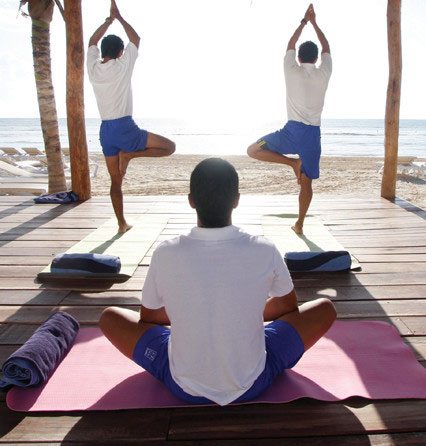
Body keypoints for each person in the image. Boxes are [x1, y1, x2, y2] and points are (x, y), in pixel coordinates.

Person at [99, 157, 336, 406]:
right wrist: (237, 312)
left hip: (183, 385)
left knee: (110, 317)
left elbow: (148, 318)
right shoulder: (265, 249)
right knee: (324, 309)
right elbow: (288, 307)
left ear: (191, 201)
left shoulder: (165, 253)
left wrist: (196, 313)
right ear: (236, 200)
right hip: (253, 382)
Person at [87, 0, 175, 233]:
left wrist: (108, 21)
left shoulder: (93, 69)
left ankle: (121, 224)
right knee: (169, 147)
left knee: (116, 182)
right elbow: (135, 39)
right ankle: (130, 155)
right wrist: (120, 18)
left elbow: (92, 42)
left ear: (103, 52)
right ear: (119, 52)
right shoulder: (122, 65)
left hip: (105, 131)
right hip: (125, 127)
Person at [247, 4, 332, 235]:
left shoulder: (290, 70)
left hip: (290, 133)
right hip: (312, 135)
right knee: (307, 183)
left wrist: (304, 22)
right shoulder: (324, 72)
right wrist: (315, 23)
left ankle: (291, 163)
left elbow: (289, 46)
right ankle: (300, 224)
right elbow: (326, 47)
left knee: (253, 150)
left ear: (299, 57)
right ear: (316, 58)